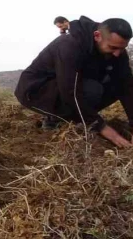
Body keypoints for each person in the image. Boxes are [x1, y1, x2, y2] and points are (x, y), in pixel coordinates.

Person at [15, 17, 132, 147]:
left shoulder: (118, 52)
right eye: (113, 47)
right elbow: (70, 91)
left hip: (70, 88)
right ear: (97, 36)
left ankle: (76, 117)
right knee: (92, 90)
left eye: (122, 48)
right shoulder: (69, 45)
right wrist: (104, 128)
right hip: (35, 91)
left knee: (116, 85)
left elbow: (127, 87)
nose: (117, 53)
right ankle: (56, 118)